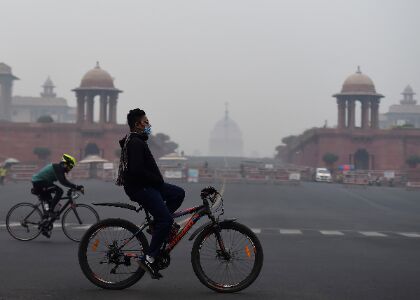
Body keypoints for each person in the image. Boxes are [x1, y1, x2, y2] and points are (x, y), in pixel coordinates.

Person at [116, 108, 185, 279]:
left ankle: (156, 226)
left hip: (149, 185)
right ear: (138, 124)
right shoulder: (135, 143)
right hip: (141, 188)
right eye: (146, 122)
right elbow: (137, 170)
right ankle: (149, 257)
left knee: (178, 194)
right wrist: (156, 179)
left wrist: (156, 181)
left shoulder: (138, 140)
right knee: (166, 220)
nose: (148, 125)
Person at [31, 154, 84, 221]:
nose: (70, 169)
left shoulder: (60, 169)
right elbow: (63, 182)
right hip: (39, 182)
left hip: (42, 183)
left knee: (51, 202)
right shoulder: (57, 168)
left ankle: (45, 222)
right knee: (59, 191)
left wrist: (74, 187)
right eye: (70, 166)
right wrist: (76, 187)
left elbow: (65, 181)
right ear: (65, 164)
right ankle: (50, 211)